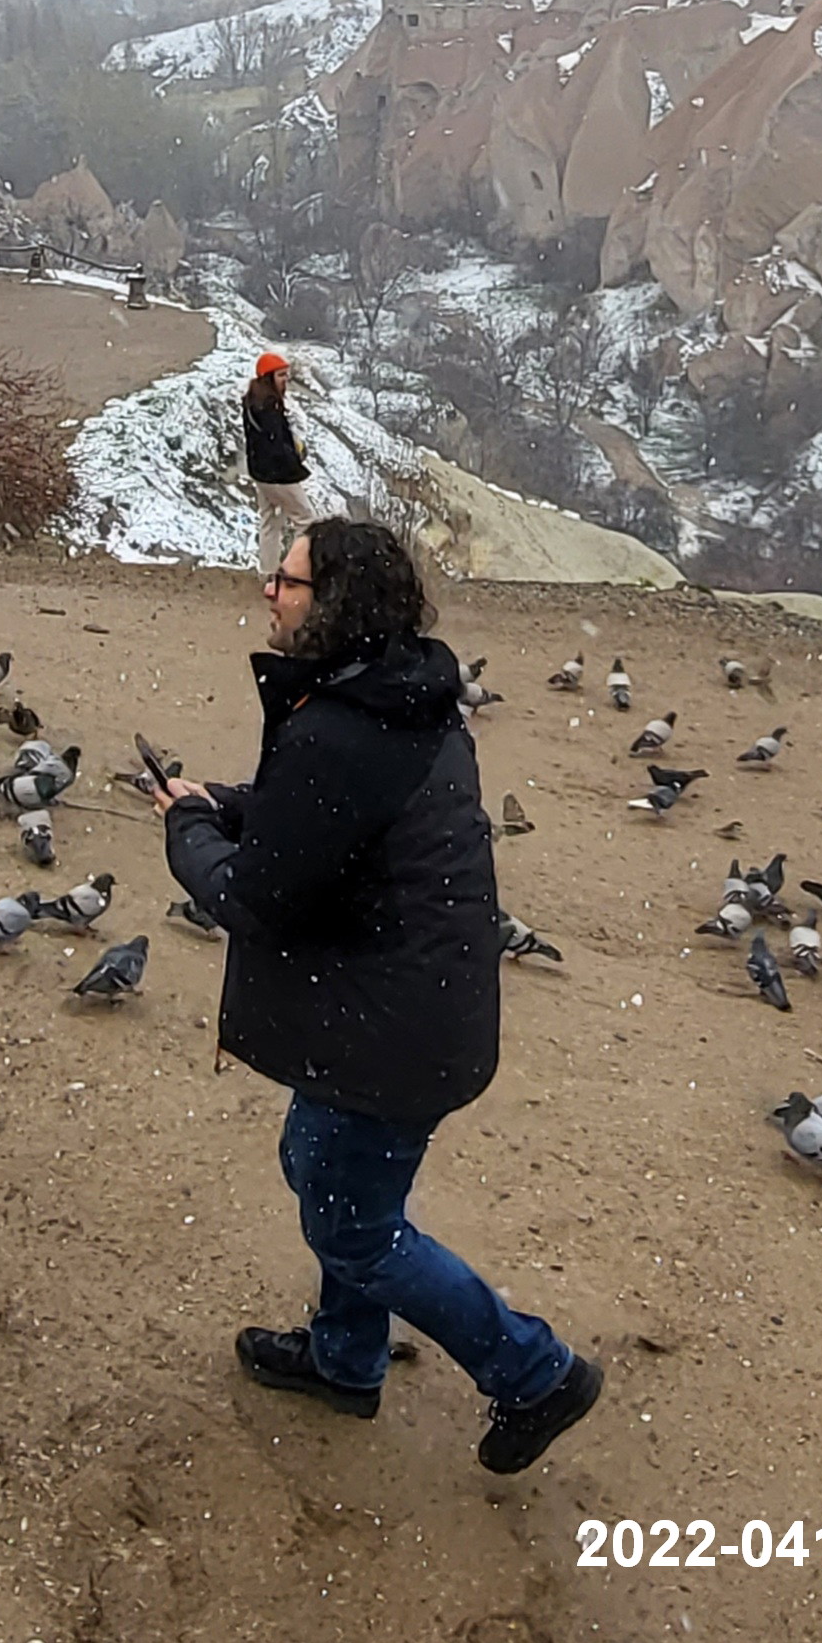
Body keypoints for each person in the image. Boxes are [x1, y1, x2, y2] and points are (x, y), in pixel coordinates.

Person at [159, 516, 603, 1473]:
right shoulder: (404, 695)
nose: (267, 592)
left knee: (352, 1226)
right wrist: (227, 804)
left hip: (388, 1033)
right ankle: (345, 1359)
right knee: (323, 1171)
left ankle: (536, 1372)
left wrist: (184, 832)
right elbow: (329, 824)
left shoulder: (341, 729)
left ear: (334, 604)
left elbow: (253, 898)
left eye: (285, 581)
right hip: (412, 1008)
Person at [242, 353, 315, 578]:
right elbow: (276, 444)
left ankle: (268, 572)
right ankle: (296, 571)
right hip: (278, 474)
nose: (286, 380)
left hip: (259, 471)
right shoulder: (270, 404)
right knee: (306, 520)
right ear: (268, 377)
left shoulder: (251, 400)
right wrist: (294, 462)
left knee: (269, 521)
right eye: (281, 375)